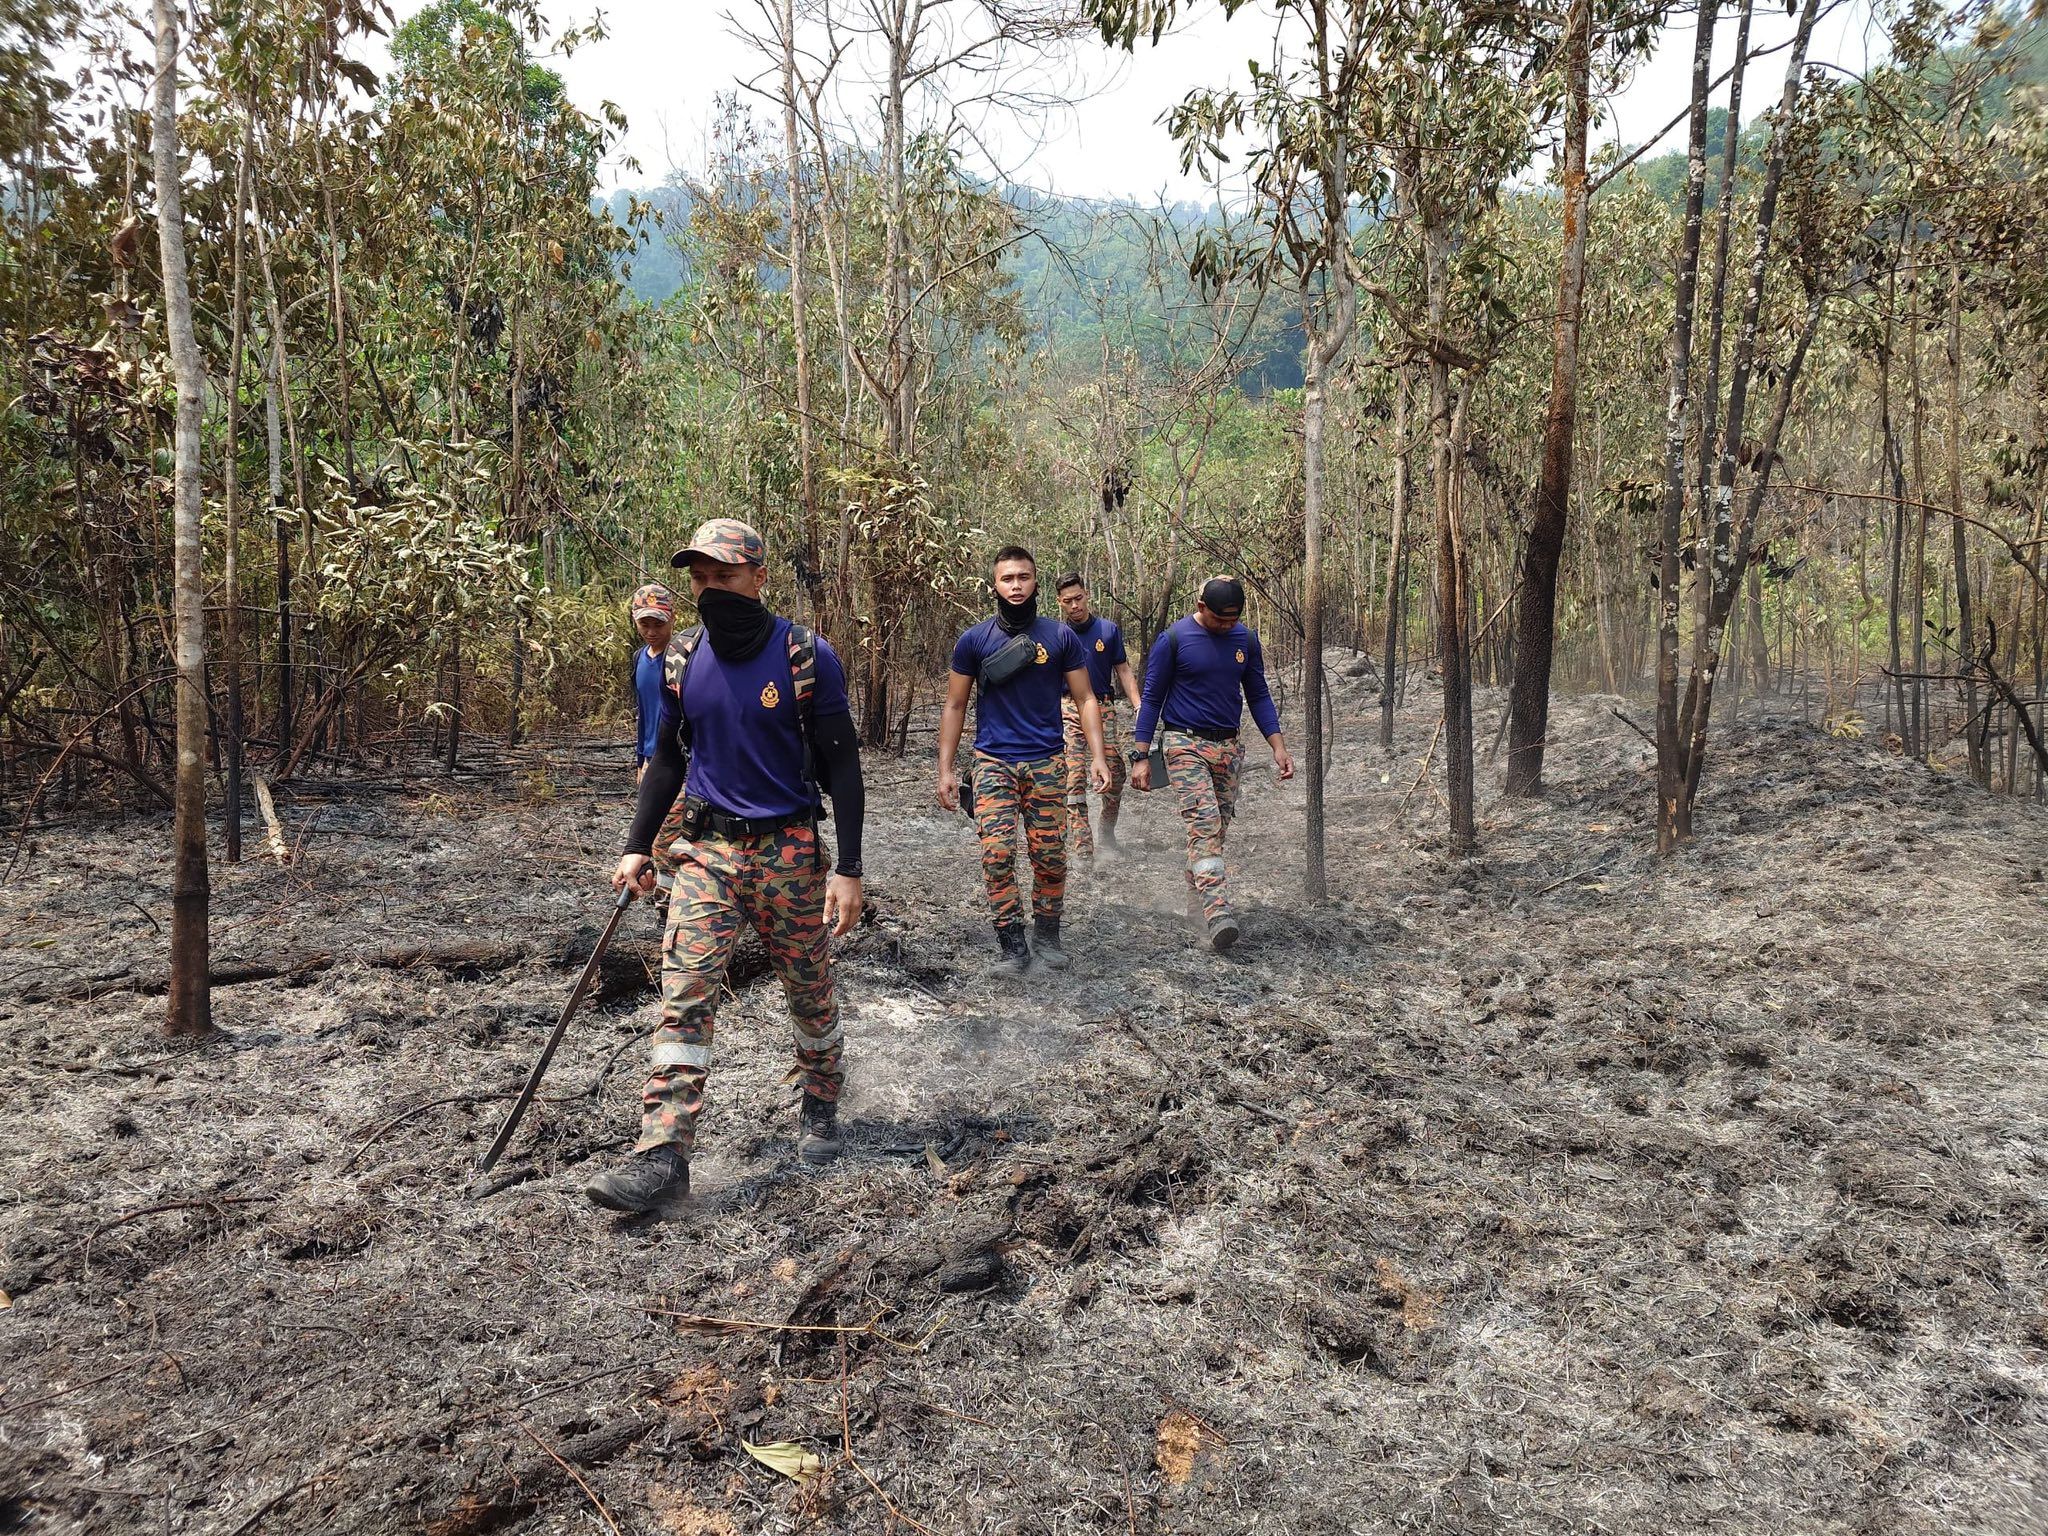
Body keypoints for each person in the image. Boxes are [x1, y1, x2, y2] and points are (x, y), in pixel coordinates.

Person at [590, 518, 867, 1215]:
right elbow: (667, 760)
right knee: (684, 995)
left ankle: (821, 1102)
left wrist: (850, 868)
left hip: (789, 850)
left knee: (809, 990)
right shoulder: (680, 658)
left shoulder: (805, 655)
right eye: (701, 577)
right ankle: (662, 1155)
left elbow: (842, 764)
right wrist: (635, 844)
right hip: (707, 854)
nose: (712, 589)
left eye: (726, 576)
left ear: (758, 578)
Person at [937, 546, 1110, 975]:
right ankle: (1012, 947)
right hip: (993, 762)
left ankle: (1047, 939)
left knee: (1049, 855)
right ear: (994, 585)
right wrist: (944, 769)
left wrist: (1098, 756)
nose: (1016, 586)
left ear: (1036, 581)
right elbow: (955, 705)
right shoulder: (974, 640)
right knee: (996, 855)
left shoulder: (1060, 637)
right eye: (1007, 579)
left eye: (1024, 578)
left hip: (1048, 762)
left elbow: (1085, 697)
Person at [1130, 576, 1295, 953]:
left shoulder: (1246, 641)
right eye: (1220, 619)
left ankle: (1195, 907)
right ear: (1201, 606)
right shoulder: (1172, 640)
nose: (1226, 626)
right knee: (1204, 825)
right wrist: (1140, 755)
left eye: (1233, 620)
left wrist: (1278, 745)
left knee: (1214, 832)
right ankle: (1218, 911)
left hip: (1228, 748)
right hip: (1183, 742)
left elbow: (1258, 694)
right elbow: (1152, 699)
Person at [1053, 573, 1142, 859]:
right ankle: (1083, 849)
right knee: (1074, 778)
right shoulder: (1056, 634)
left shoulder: (1108, 630)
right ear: (1060, 603)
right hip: (1068, 709)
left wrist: (1139, 705)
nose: (1075, 605)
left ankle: (1106, 833)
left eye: (1078, 598)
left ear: (1087, 594)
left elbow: (1124, 670)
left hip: (1104, 708)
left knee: (1114, 773)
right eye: (1068, 601)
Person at [628, 583, 679, 904]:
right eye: (644, 623)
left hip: (678, 761)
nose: (650, 631)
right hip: (650, 761)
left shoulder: (682, 658)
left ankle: (668, 903)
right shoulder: (638, 660)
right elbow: (644, 713)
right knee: (659, 833)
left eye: (657, 623)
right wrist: (640, 760)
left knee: (664, 840)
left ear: (672, 619)